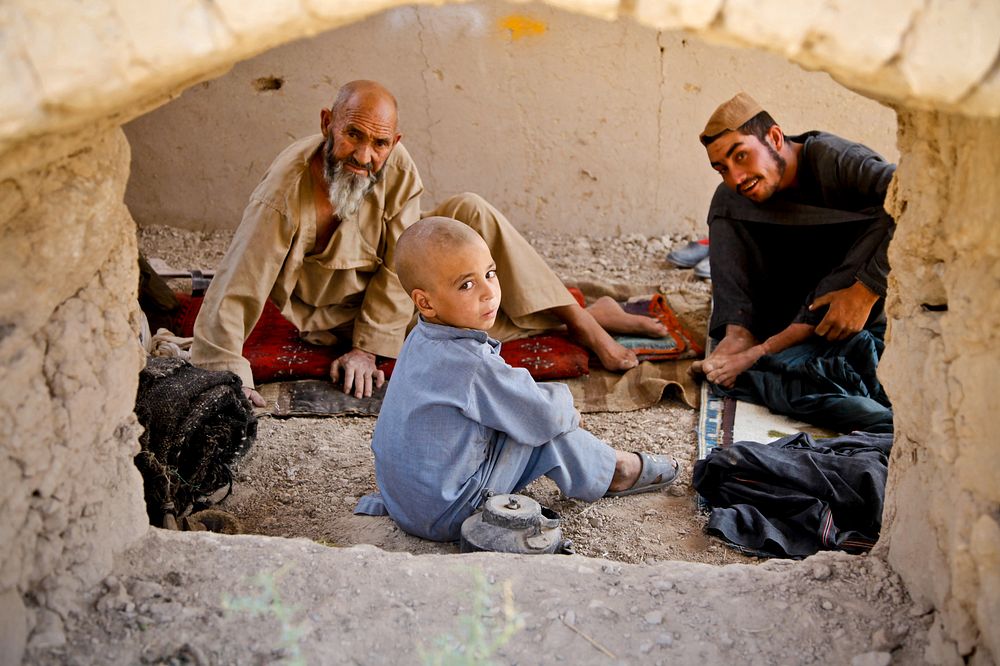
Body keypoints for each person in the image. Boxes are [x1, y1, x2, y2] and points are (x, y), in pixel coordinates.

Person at [191, 80, 666, 405]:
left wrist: (370, 347)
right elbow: (239, 282)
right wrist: (224, 363)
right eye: (351, 135)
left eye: (378, 144)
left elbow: (406, 258)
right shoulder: (283, 194)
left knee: (471, 211)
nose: (363, 155)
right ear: (326, 124)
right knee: (460, 326)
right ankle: (583, 312)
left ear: (394, 141)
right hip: (333, 313)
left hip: (399, 289)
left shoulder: (396, 166)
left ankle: (580, 320)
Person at [353, 217, 680, 541]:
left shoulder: (418, 339)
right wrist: (566, 411)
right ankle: (617, 471)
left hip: (403, 505)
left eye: (490, 274)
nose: (488, 292)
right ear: (425, 302)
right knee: (543, 430)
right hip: (448, 515)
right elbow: (542, 416)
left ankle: (605, 464)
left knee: (514, 410)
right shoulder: (471, 364)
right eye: (466, 285)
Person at [691, 92, 895, 432]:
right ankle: (740, 333)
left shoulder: (838, 160)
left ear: (773, 137)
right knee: (725, 201)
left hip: (848, 298)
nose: (736, 176)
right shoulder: (737, 188)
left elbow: (917, 200)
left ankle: (767, 350)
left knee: (885, 217)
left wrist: (867, 290)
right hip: (794, 295)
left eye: (741, 156)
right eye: (722, 168)